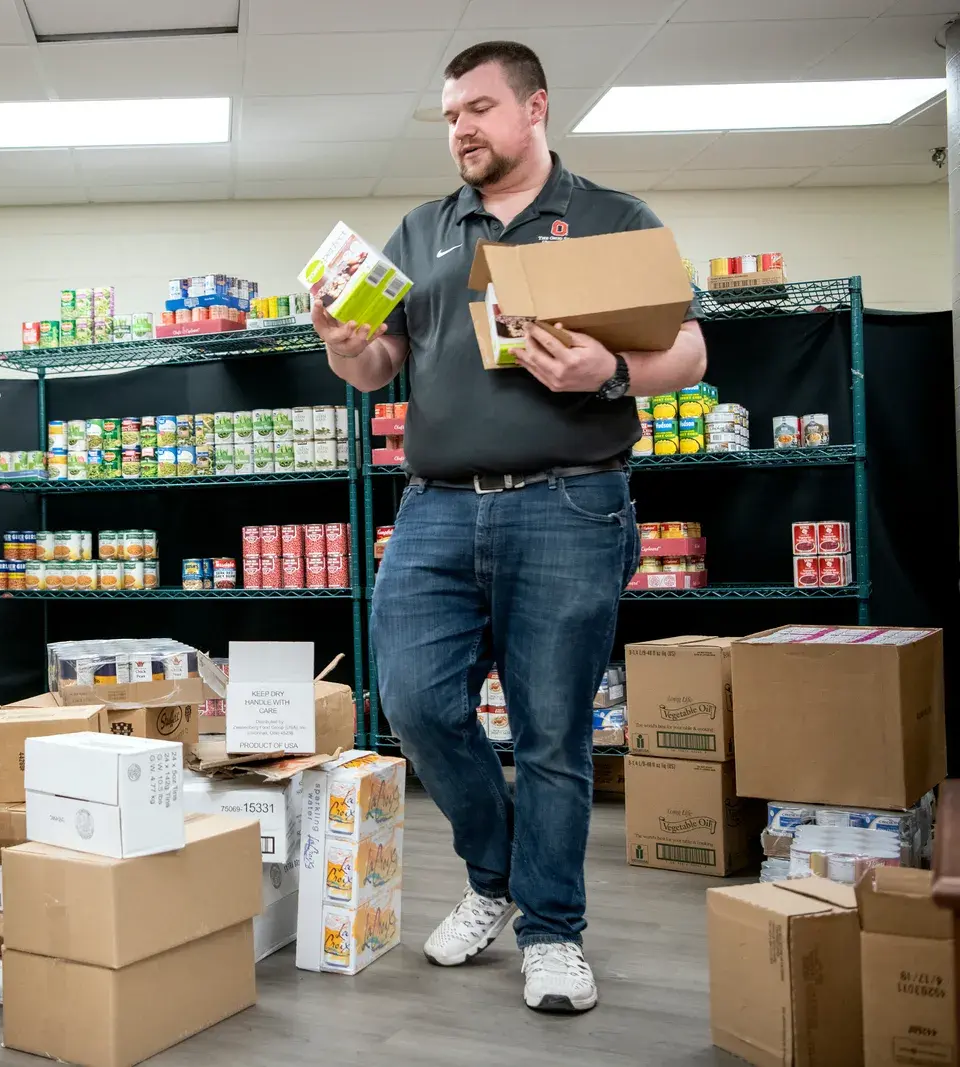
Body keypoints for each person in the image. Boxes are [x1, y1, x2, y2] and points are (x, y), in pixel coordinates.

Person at [317, 41, 706, 1014]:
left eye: (479, 110)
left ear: (534, 108)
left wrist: (608, 374)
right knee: (409, 699)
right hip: (436, 506)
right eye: (450, 115)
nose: (461, 130)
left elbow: (689, 349)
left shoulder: (614, 217)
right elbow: (377, 367)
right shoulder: (418, 230)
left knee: (551, 734)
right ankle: (492, 872)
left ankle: (552, 929)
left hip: (569, 501)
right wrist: (341, 345)